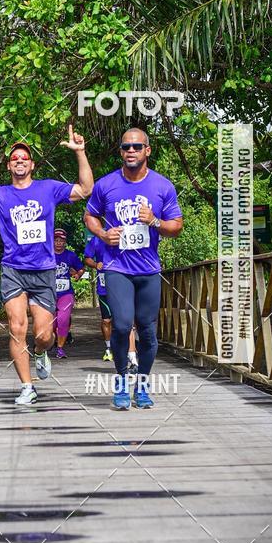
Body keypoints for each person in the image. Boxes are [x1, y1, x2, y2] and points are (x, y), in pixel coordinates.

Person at [0, 127, 93, 405]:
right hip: (13, 270)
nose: (19, 161)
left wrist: (80, 152)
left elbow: (86, 189)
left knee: (43, 335)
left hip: (43, 271)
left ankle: (40, 353)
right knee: (17, 328)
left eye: (24, 158)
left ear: (31, 165)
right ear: (9, 165)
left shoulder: (48, 189)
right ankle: (27, 387)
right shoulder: (0, 194)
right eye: (14, 158)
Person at [84, 128, 183, 410]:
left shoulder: (163, 186)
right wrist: (103, 234)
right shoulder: (106, 185)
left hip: (149, 269)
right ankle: (120, 380)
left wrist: (155, 222)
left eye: (137, 146)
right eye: (126, 146)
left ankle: (142, 384)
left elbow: (176, 226)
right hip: (117, 267)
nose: (131, 151)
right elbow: (89, 215)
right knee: (123, 324)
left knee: (149, 332)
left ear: (147, 151)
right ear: (121, 151)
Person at [83, 234, 138, 368]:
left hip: (122, 285)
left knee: (126, 321)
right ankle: (108, 348)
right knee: (106, 320)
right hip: (104, 288)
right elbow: (87, 258)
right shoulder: (96, 240)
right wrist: (96, 264)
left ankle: (132, 356)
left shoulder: (125, 234)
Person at [53, 229, 84, 358]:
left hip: (66, 293)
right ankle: (49, 342)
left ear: (65, 242)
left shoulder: (70, 255)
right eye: (56, 240)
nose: (59, 243)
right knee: (51, 324)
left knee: (63, 319)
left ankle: (60, 349)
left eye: (61, 240)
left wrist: (78, 274)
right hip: (48, 293)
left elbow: (81, 268)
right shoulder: (47, 255)